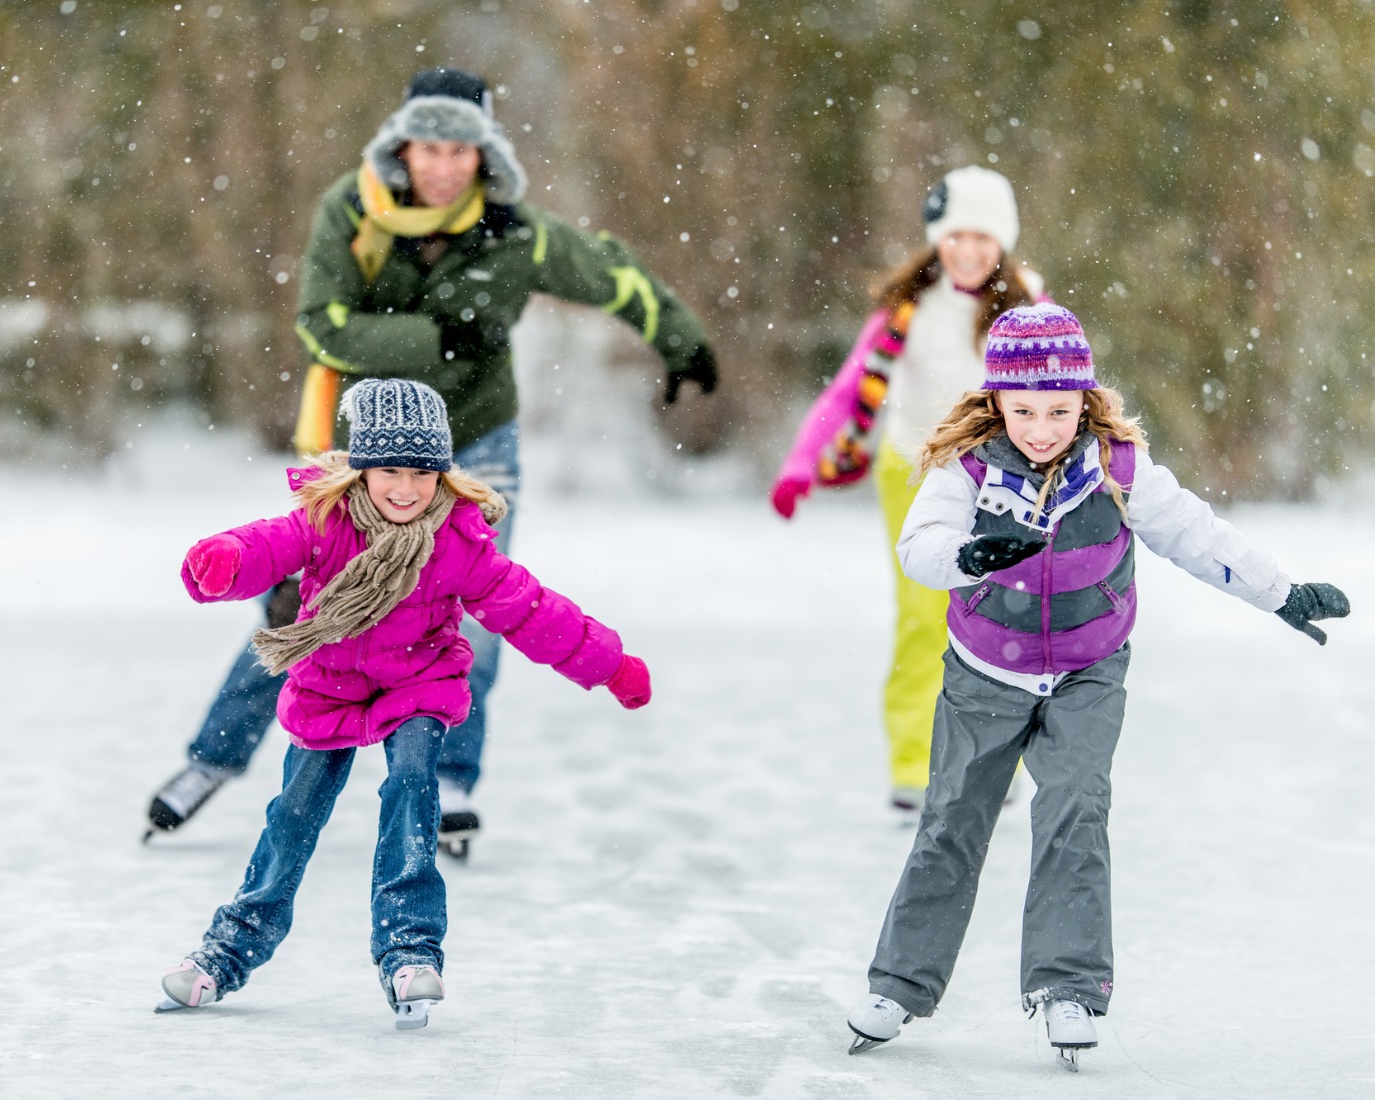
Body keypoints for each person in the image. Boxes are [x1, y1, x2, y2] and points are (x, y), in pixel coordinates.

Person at [145, 66, 716, 853]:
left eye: (461, 150)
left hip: (476, 443)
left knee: (478, 612)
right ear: (402, 147)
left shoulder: (518, 233)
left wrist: (681, 341)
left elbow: (612, 272)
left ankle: (450, 778)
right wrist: (435, 339)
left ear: (483, 155)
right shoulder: (352, 211)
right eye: (429, 148)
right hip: (364, 449)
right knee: (306, 608)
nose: (444, 166)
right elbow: (322, 324)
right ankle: (211, 760)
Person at [842, 304, 1350, 1068]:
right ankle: (900, 985)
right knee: (951, 821)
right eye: (1023, 411)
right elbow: (921, 546)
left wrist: (1281, 592)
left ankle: (1069, 987)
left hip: (1088, 671)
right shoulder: (969, 467)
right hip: (984, 672)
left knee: (1076, 812)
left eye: (1058, 409)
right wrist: (973, 557)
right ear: (996, 404)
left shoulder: (1117, 470)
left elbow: (1196, 534)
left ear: (1084, 398)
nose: (1041, 428)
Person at [156, 378, 652, 1029]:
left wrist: (608, 663)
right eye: (389, 469)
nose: (406, 488)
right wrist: (221, 560)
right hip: (328, 685)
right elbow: (267, 544)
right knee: (293, 817)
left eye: (423, 472)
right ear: (361, 469)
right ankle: (230, 948)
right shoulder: (326, 522)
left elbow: (530, 609)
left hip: (417, 685)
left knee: (414, 789)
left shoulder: (457, 541)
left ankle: (409, 949)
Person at [769, 166, 1042, 816]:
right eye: (955, 237)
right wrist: (801, 465)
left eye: (982, 238)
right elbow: (847, 389)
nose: (968, 251)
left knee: (1001, 616)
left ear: (1001, 242)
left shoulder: (1028, 308)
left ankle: (994, 763)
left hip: (1000, 474)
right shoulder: (907, 310)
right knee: (926, 617)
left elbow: (1065, 394)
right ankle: (914, 764)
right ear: (938, 240)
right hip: (914, 472)